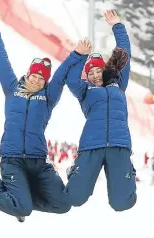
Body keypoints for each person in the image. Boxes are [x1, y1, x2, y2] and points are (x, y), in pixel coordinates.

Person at [0, 14, 90, 222]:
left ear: (45, 82)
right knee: (23, 209)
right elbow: (1, 61)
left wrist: (78, 54)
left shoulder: (48, 96)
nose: (37, 79)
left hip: (38, 161)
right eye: (34, 75)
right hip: (12, 159)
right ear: (28, 73)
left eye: (41, 78)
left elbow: (60, 75)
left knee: (63, 204)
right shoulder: (12, 89)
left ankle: (16, 199)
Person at [64, 10, 137, 212]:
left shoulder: (118, 83)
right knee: (74, 197)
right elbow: (69, 79)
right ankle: (75, 172)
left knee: (122, 203)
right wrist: (80, 56)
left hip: (119, 144)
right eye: (91, 72)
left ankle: (127, 173)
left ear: (104, 71)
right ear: (86, 76)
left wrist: (117, 26)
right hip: (91, 145)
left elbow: (125, 54)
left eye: (98, 70)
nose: (95, 75)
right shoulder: (84, 90)